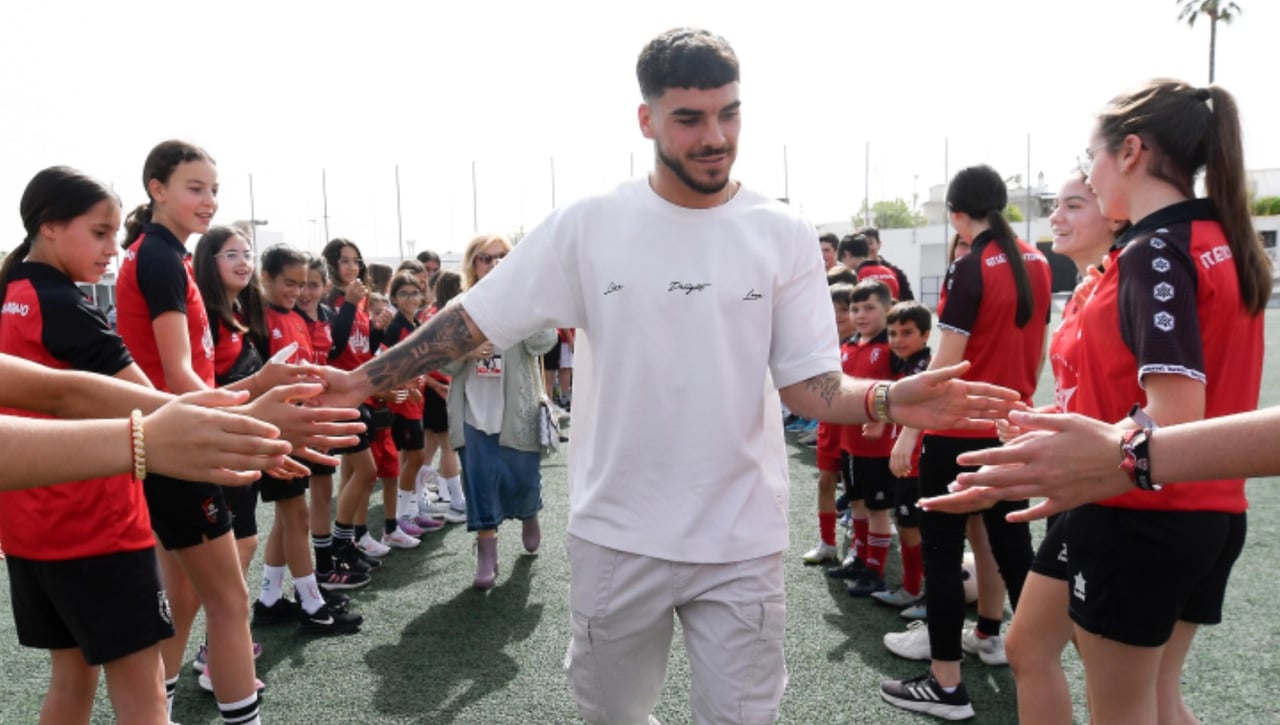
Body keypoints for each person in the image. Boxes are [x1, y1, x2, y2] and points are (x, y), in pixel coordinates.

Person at [314, 28, 1019, 724]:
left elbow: (808, 385)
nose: (714, 135)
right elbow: (474, 319)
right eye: (690, 118)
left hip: (741, 538)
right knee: (612, 716)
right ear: (647, 119)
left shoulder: (782, 232)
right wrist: (359, 381)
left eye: (729, 113)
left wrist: (892, 396)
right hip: (617, 533)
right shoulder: (588, 226)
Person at [933, 80, 1269, 725]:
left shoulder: (1155, 252)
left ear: (1132, 152)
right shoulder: (1214, 236)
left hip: (1143, 510)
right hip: (1194, 506)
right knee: (1054, 654)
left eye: (1091, 161)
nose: (1087, 177)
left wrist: (1052, 461)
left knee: (1124, 708)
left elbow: (1172, 418)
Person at [115, 140, 327, 723]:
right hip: (180, 447)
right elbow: (180, 374)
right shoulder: (158, 257)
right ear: (156, 188)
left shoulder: (161, 254)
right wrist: (253, 421)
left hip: (171, 441)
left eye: (214, 190)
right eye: (195, 188)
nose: (208, 201)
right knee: (230, 604)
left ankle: (160, 709)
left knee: (182, 600)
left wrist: (257, 390)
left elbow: (179, 373)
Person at [880, 164, 1051, 720]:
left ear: (955, 213)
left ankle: (946, 684)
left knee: (944, 549)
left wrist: (910, 428)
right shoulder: (1038, 259)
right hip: (1009, 426)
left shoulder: (970, 266)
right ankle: (1006, 645)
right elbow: (1039, 347)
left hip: (957, 431)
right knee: (1008, 548)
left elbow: (947, 364)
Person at [253, 244, 364, 635]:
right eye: (289, 283)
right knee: (295, 517)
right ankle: (312, 603)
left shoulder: (294, 316)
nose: (298, 290)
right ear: (265, 278)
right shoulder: (262, 318)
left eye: (303, 283)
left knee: (288, 520)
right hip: (278, 431)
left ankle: (269, 598)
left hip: (296, 428)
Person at [439, 233, 556, 589]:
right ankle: (487, 553)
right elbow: (444, 362)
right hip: (473, 411)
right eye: (485, 258)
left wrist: (524, 309)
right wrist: (466, 352)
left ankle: (528, 514)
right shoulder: (458, 306)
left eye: (502, 257)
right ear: (472, 265)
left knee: (522, 476)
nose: (494, 265)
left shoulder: (524, 298)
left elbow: (544, 342)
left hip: (517, 409)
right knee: (479, 482)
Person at [872, 300, 933, 613]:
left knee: (919, 528)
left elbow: (919, 404)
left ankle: (918, 591)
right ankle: (913, 588)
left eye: (906, 332)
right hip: (906, 463)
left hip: (920, 463)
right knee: (907, 524)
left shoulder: (924, 366)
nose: (897, 339)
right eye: (892, 332)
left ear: (925, 334)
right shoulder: (905, 365)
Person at [380, 271, 444, 545]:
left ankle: (411, 511)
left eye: (415, 292)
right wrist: (406, 384)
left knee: (413, 459)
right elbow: (385, 362)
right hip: (402, 403)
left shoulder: (416, 321)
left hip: (416, 401)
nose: (410, 298)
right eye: (403, 293)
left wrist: (428, 383)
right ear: (394, 297)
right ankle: (400, 518)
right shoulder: (395, 327)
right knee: (413, 457)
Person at [799, 281, 856, 566]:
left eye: (844, 310)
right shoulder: (821, 344)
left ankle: (860, 546)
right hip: (829, 425)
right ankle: (827, 543)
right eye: (831, 309)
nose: (837, 316)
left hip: (856, 429)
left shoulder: (864, 344)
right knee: (825, 482)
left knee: (857, 492)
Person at [838, 234, 901, 299]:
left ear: (847, 254)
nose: (844, 265)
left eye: (842, 260)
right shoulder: (889, 272)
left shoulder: (857, 276)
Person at [860, 227, 915, 301]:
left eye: (870, 243)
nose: (867, 248)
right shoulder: (854, 272)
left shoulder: (895, 272)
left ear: (879, 244)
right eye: (863, 245)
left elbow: (909, 302)